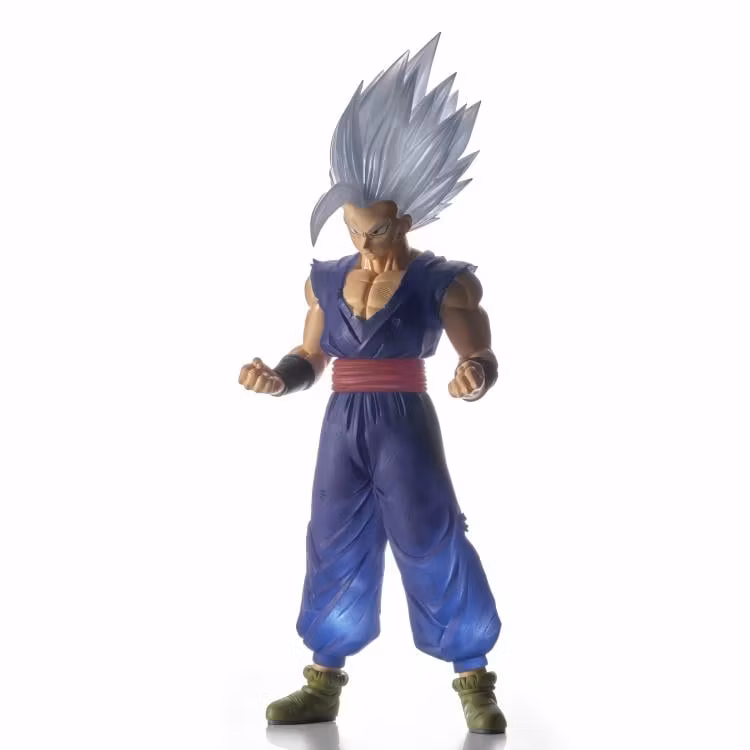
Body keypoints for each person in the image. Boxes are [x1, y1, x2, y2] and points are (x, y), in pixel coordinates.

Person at [238, 33, 506, 735]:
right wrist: (279, 378)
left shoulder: (443, 281)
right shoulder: (326, 279)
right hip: (342, 422)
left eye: (376, 232)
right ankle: (322, 680)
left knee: (431, 537)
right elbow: (311, 354)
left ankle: (474, 677)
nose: (362, 244)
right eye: (354, 229)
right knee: (333, 540)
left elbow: (479, 353)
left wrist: (473, 374)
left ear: (403, 222)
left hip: (405, 420)